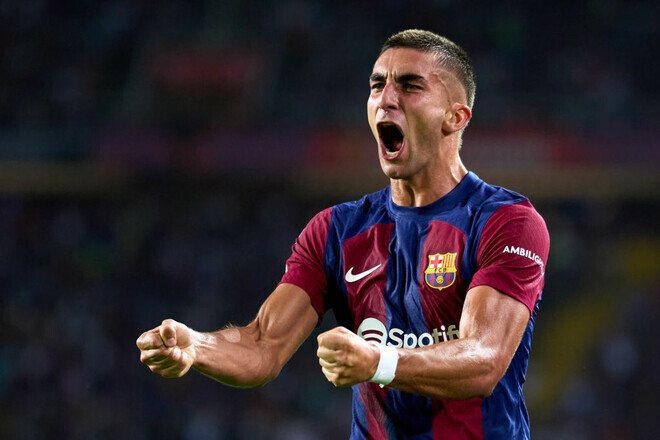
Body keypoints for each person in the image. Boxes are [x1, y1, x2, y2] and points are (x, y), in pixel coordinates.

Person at [137, 29, 550, 439]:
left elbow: (484, 359)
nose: (386, 98)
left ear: (455, 117)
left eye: (410, 86)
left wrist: (378, 362)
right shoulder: (336, 231)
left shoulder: (506, 222)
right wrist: (197, 346)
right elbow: (262, 346)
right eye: (377, 85)